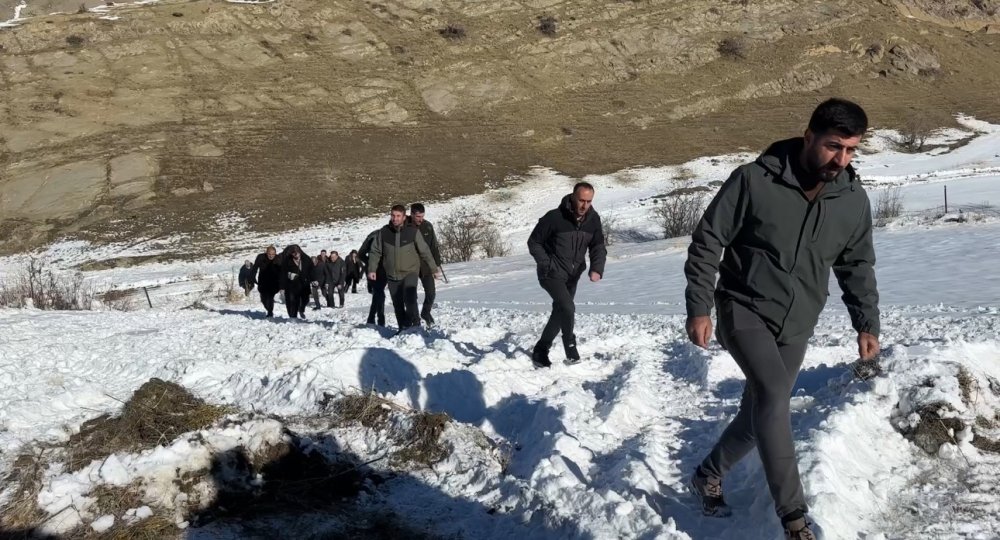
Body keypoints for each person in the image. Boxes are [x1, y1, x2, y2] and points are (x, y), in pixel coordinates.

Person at [683, 98, 881, 540]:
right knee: (774, 397)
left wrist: (866, 322)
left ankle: (707, 473)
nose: (842, 159)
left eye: (851, 150)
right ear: (808, 136)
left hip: (798, 322)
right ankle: (794, 518)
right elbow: (707, 240)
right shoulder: (754, 180)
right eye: (834, 147)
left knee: (758, 416)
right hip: (742, 306)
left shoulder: (852, 199)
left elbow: (857, 265)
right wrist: (699, 305)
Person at [526, 182, 606, 368]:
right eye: (581, 200)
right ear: (572, 197)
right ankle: (570, 348)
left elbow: (598, 246)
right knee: (568, 307)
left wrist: (597, 267)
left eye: (589, 201)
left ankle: (540, 350)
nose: (584, 205)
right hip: (550, 273)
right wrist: (547, 264)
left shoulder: (593, 220)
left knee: (560, 311)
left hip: (572, 275)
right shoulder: (554, 218)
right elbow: (534, 242)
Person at [368, 204, 441, 332]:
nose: (395, 218)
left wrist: (434, 268)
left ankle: (416, 325)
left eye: (398, 216)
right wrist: (372, 269)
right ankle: (403, 328)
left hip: (410, 271)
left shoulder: (412, 231)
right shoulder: (384, 232)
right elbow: (375, 251)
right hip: (392, 274)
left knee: (410, 297)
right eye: (393, 215)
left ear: (403, 217)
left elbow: (425, 251)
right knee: (397, 304)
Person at [408, 203, 444, 326]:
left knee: (431, 292)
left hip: (426, 265)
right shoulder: (404, 226)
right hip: (410, 266)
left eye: (422, 216)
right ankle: (415, 319)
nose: (420, 219)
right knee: (411, 295)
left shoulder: (427, 226)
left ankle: (426, 313)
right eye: (418, 216)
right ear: (411, 214)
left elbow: (434, 246)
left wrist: (437, 264)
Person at [358, 230, 386, 326]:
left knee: (378, 293)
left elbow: (361, 254)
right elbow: (360, 254)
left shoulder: (374, 235)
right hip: (377, 269)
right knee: (379, 293)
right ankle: (379, 319)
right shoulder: (374, 236)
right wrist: (371, 262)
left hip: (381, 269)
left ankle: (373, 319)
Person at [279, 244, 314, 319]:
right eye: (293, 253)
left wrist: (314, 280)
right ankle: (293, 316)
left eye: (297, 252)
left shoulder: (306, 259)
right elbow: (282, 273)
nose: (295, 254)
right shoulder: (287, 261)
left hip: (304, 284)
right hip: (291, 285)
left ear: (300, 252)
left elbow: (312, 271)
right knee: (292, 301)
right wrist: (282, 286)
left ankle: (301, 309)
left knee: (305, 299)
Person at [252, 246, 281, 317]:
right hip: (263, 281)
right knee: (263, 299)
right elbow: (255, 267)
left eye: (273, 254)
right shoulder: (260, 257)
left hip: (274, 281)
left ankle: (270, 312)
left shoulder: (278, 259)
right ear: (266, 253)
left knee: (270, 297)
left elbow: (282, 271)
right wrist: (252, 277)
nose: (271, 256)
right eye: (269, 254)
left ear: (275, 254)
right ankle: (269, 309)